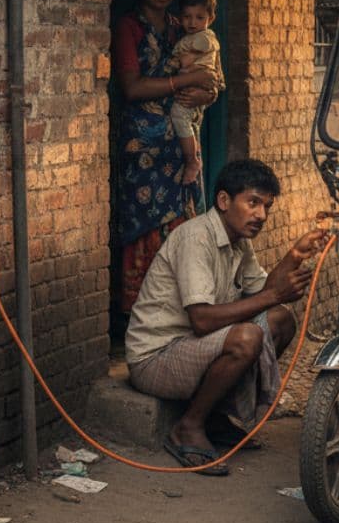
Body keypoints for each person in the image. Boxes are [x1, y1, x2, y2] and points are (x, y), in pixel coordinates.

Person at [125, 159, 326, 476]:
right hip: (156, 358)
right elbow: (202, 321)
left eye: (266, 206)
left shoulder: (238, 242)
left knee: (281, 320)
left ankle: (215, 416)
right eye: (253, 203)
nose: (261, 215)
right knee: (248, 337)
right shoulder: (196, 238)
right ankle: (187, 427)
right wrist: (274, 295)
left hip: (193, 347)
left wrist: (296, 255)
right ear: (223, 201)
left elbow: (263, 293)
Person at [112, 0, 220, 316]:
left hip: (181, 144)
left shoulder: (184, 27)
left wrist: (208, 90)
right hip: (143, 146)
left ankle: (181, 313)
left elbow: (212, 78)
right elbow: (132, 87)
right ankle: (141, 318)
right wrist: (184, 80)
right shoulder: (129, 27)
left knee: (184, 226)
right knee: (144, 229)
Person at [170, 0, 225, 185]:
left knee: (179, 116)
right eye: (187, 17)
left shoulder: (204, 38)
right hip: (192, 87)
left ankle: (192, 161)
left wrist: (181, 57)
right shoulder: (187, 35)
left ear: (211, 18)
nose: (192, 23)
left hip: (195, 90)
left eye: (199, 17)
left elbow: (187, 61)